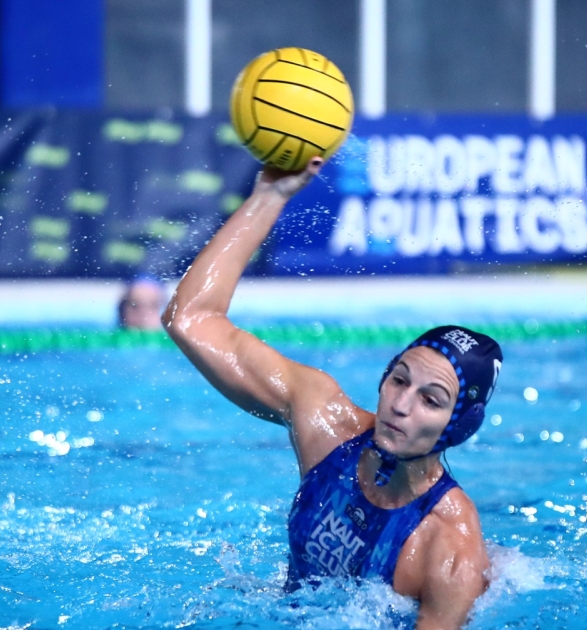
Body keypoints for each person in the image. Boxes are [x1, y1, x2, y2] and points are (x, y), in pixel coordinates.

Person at [162, 157, 502, 630]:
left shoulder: (451, 554)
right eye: (400, 379)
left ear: (458, 426)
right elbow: (190, 319)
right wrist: (269, 196)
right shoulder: (327, 427)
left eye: (431, 400)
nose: (401, 405)